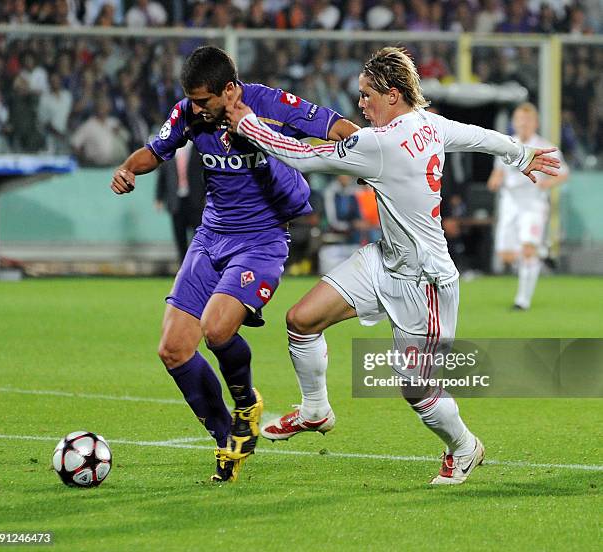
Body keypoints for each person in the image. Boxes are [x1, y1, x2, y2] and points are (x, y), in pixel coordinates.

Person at [226, 47, 560, 485]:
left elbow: (302, 157)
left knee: (415, 388)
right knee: (301, 320)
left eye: (367, 95)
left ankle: (463, 447)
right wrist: (519, 154)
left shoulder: (380, 143)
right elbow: (478, 137)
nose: (361, 104)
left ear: (394, 94)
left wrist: (248, 124)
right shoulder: (430, 124)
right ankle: (315, 409)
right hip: (385, 261)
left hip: (426, 284)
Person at [110, 45, 357, 482]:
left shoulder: (272, 104)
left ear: (229, 90)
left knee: (218, 328)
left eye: (204, 101)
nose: (197, 109)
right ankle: (227, 436)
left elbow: (337, 127)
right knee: (172, 349)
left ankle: (246, 403)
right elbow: (155, 149)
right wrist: (129, 168)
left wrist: (371, 155)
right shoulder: (189, 112)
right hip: (211, 237)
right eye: (192, 101)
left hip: (261, 241)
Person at [487, 103, 569, 310]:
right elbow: (498, 173)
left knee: (526, 249)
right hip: (510, 203)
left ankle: (522, 301)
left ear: (535, 123)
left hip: (533, 204)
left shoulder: (544, 147)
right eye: (519, 120)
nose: (522, 124)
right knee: (505, 255)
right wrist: (494, 181)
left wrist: (547, 183)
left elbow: (563, 173)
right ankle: (542, 253)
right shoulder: (506, 146)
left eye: (527, 121)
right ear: (514, 123)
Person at [155, 141, 206, 263]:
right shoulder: (169, 150)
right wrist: (159, 197)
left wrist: (206, 195)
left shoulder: (199, 148)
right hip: (176, 201)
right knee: (180, 237)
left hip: (195, 200)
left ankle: (198, 266)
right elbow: (163, 176)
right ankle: (183, 267)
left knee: (198, 236)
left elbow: (207, 174)